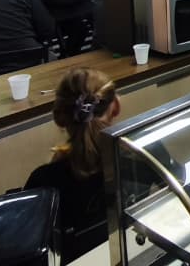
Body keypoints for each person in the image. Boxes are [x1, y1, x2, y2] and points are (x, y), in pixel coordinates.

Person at [25, 67, 121, 264]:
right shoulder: (136, 160)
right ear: (116, 107)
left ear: (59, 117)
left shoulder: (44, 182)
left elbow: (27, 248)